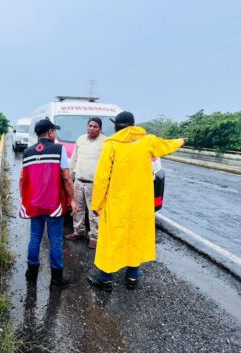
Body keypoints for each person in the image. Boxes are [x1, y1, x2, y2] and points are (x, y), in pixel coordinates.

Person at [87, 111, 186, 292]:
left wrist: (96, 204)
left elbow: (102, 178)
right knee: (135, 238)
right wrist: (181, 140)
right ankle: (132, 278)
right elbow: (168, 145)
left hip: (117, 204)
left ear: (116, 127)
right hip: (140, 204)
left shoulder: (111, 145)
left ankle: (105, 279)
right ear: (133, 125)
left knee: (111, 240)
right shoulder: (147, 141)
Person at [19, 118, 77, 286]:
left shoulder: (28, 152)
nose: (55, 134)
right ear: (50, 132)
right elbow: (66, 178)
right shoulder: (59, 150)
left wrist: (24, 201)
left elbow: (23, 179)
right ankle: (56, 279)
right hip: (54, 205)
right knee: (56, 240)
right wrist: (72, 200)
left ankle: (31, 275)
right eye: (54, 131)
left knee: (35, 238)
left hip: (34, 204)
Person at [65, 117, 106, 249]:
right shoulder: (81, 139)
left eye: (95, 126)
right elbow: (74, 159)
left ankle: (95, 236)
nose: (92, 128)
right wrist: (69, 176)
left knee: (94, 211)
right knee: (77, 209)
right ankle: (78, 231)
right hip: (79, 181)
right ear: (87, 126)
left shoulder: (105, 142)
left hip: (94, 183)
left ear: (100, 128)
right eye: (90, 126)